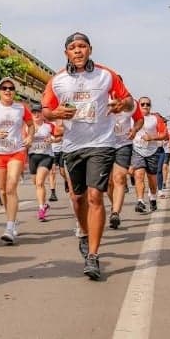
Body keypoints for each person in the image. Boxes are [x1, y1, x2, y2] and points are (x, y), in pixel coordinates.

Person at [42, 32, 133, 280]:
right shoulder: (58, 81)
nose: (78, 51)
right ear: (66, 53)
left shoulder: (106, 75)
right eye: (73, 47)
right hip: (72, 146)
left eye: (82, 46)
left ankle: (93, 256)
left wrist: (121, 105)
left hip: (101, 143)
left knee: (95, 196)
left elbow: (129, 101)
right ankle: (83, 231)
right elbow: (45, 111)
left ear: (90, 49)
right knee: (78, 199)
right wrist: (55, 113)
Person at [0, 77, 34, 243]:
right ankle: (11, 219)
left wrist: (30, 137)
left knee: (11, 187)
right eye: (4, 88)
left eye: (11, 88)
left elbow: (31, 125)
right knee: (2, 190)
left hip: (16, 151)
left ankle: (9, 227)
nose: (8, 91)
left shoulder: (21, 108)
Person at [107, 97, 143, 229]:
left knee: (120, 178)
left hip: (124, 144)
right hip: (104, 145)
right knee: (109, 183)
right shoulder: (101, 99)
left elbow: (139, 119)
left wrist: (135, 129)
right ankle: (114, 205)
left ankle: (115, 213)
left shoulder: (131, 103)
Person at [131, 97, 167, 213]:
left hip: (152, 151)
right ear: (138, 105)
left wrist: (151, 137)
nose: (145, 106)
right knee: (139, 175)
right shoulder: (132, 118)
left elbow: (165, 134)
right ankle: (140, 201)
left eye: (148, 104)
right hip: (137, 149)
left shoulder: (155, 119)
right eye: (143, 104)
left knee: (152, 179)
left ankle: (152, 198)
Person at [27, 104, 62, 222]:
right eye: (34, 113)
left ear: (42, 114)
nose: (36, 115)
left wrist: (52, 139)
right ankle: (44, 203)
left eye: (38, 112)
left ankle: (41, 208)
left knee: (40, 182)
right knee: (36, 183)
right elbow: (22, 140)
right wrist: (27, 140)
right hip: (32, 156)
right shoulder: (28, 127)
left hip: (46, 156)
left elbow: (59, 137)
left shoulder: (49, 126)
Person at [157, 118, 170, 198]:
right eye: (162, 122)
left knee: (164, 167)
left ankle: (164, 182)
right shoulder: (157, 129)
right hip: (159, 149)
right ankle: (161, 183)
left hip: (167, 150)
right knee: (159, 168)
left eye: (165, 122)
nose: (164, 123)